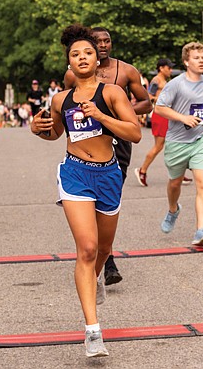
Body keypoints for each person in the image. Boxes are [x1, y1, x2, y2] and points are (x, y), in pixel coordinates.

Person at [32, 24, 141, 358]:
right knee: (88, 248)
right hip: (75, 173)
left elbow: (134, 133)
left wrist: (101, 116)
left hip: (108, 175)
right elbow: (55, 134)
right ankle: (93, 331)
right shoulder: (60, 99)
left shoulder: (111, 94)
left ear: (97, 61)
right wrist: (38, 130)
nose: (82, 58)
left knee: (105, 248)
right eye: (75, 54)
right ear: (69, 62)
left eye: (88, 53)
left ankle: (96, 282)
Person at [64, 26, 151, 286]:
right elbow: (66, 105)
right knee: (85, 201)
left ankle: (103, 250)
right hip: (87, 141)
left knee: (109, 197)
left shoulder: (126, 71)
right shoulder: (72, 75)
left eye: (107, 41)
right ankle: (104, 259)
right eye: (97, 42)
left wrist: (117, 110)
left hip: (119, 139)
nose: (103, 45)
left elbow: (146, 103)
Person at [155, 41, 203, 246]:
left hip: (202, 138)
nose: (201, 61)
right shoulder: (176, 84)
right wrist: (183, 118)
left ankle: (201, 230)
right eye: (196, 58)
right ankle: (173, 209)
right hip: (177, 141)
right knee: (175, 183)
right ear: (186, 61)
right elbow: (159, 108)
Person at [134, 58, 174, 186]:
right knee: (158, 146)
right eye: (169, 68)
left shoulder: (164, 80)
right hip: (159, 115)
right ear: (161, 68)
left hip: (167, 114)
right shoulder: (156, 80)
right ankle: (142, 170)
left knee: (173, 143)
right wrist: (161, 98)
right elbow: (149, 96)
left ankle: (178, 173)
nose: (171, 70)